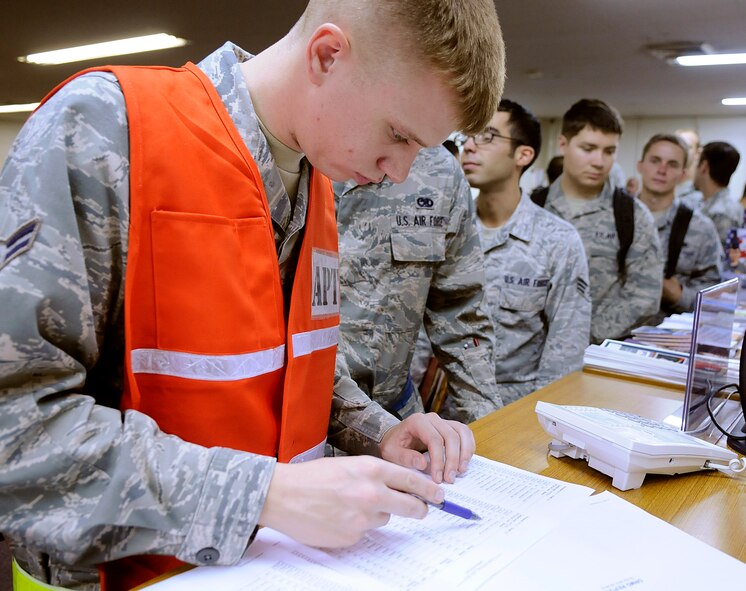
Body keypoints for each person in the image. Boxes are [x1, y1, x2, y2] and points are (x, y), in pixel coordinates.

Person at [0, 1, 506, 589]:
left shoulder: (318, 177)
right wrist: (263, 495)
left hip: (266, 568)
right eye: (397, 134)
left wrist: (377, 431)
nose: (400, 171)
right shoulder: (103, 129)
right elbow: (17, 429)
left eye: (423, 147)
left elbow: (280, 364)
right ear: (326, 55)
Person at [334, 146, 503, 424]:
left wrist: (489, 430)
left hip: (396, 420)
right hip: (293, 425)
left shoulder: (440, 171)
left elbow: (461, 318)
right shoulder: (289, 141)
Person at [458, 99, 591, 404]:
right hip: (445, 411)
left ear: (523, 154)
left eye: (487, 136)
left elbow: (565, 352)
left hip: (516, 407)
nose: (469, 146)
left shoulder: (557, 241)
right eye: (467, 135)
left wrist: (541, 424)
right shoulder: (451, 231)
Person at [531, 98, 662, 344]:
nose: (599, 162)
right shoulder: (533, 207)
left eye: (609, 151)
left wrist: (582, 336)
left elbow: (644, 297)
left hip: (597, 355)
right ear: (563, 144)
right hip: (528, 357)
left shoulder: (632, 216)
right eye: (588, 149)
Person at [636, 134, 723, 323]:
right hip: (604, 338)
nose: (661, 170)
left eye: (672, 164)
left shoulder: (701, 228)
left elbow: (716, 301)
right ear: (640, 165)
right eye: (655, 160)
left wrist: (679, 295)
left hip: (665, 339)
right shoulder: (611, 217)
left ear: (683, 174)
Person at [692, 141, 743, 247]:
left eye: (696, 164)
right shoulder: (703, 203)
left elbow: (723, 260)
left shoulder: (722, 214)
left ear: (704, 166)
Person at [674, 127, 704, 205]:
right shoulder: (661, 182)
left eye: (686, 146)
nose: (680, 151)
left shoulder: (703, 193)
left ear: (698, 153)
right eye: (676, 146)